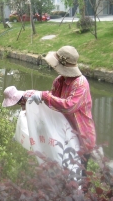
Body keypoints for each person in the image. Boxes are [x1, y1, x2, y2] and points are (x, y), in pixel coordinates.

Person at [28, 45, 96, 177]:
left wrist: (44, 96)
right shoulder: (59, 81)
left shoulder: (81, 83)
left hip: (81, 136)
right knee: (60, 170)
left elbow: (69, 106)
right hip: (62, 134)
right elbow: (52, 104)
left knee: (79, 174)